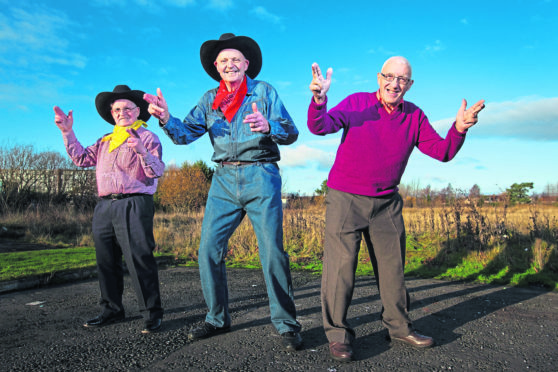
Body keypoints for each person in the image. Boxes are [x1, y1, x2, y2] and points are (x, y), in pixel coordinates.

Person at [307, 57, 485, 362]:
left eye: (402, 79)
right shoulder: (356, 103)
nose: (395, 83)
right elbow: (320, 126)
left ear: (410, 85)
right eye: (389, 76)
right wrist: (319, 99)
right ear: (379, 78)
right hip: (346, 198)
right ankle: (338, 336)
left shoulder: (414, 116)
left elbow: (441, 152)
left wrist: (459, 128)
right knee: (340, 271)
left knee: (393, 271)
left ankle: (399, 326)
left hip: (386, 202)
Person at [143, 33, 303, 350]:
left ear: (246, 64)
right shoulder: (208, 100)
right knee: (207, 251)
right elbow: (184, 134)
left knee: (271, 251)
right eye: (224, 61)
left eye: (236, 59)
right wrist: (164, 118)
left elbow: (291, 132)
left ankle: (286, 324)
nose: (230, 64)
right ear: (217, 67)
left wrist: (269, 126)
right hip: (224, 180)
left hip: (261, 174)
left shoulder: (263, 91)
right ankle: (217, 319)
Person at [53, 85, 165, 334]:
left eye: (127, 108)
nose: (122, 112)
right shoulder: (104, 141)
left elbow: (156, 171)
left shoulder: (147, 137)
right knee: (106, 260)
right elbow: (81, 159)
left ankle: (151, 313)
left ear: (138, 111)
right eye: (117, 109)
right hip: (105, 206)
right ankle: (112, 309)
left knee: (139, 260)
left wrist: (141, 151)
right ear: (111, 113)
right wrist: (68, 132)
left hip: (134, 203)